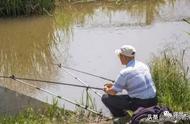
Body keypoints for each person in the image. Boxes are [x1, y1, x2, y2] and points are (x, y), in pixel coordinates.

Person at [102, 45, 157, 124]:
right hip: (153, 101)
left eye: (119, 56)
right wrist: (114, 84)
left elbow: (113, 92)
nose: (119, 58)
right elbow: (135, 83)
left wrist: (106, 89)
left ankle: (123, 117)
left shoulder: (125, 72)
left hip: (140, 104)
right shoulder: (143, 65)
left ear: (124, 57)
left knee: (106, 98)